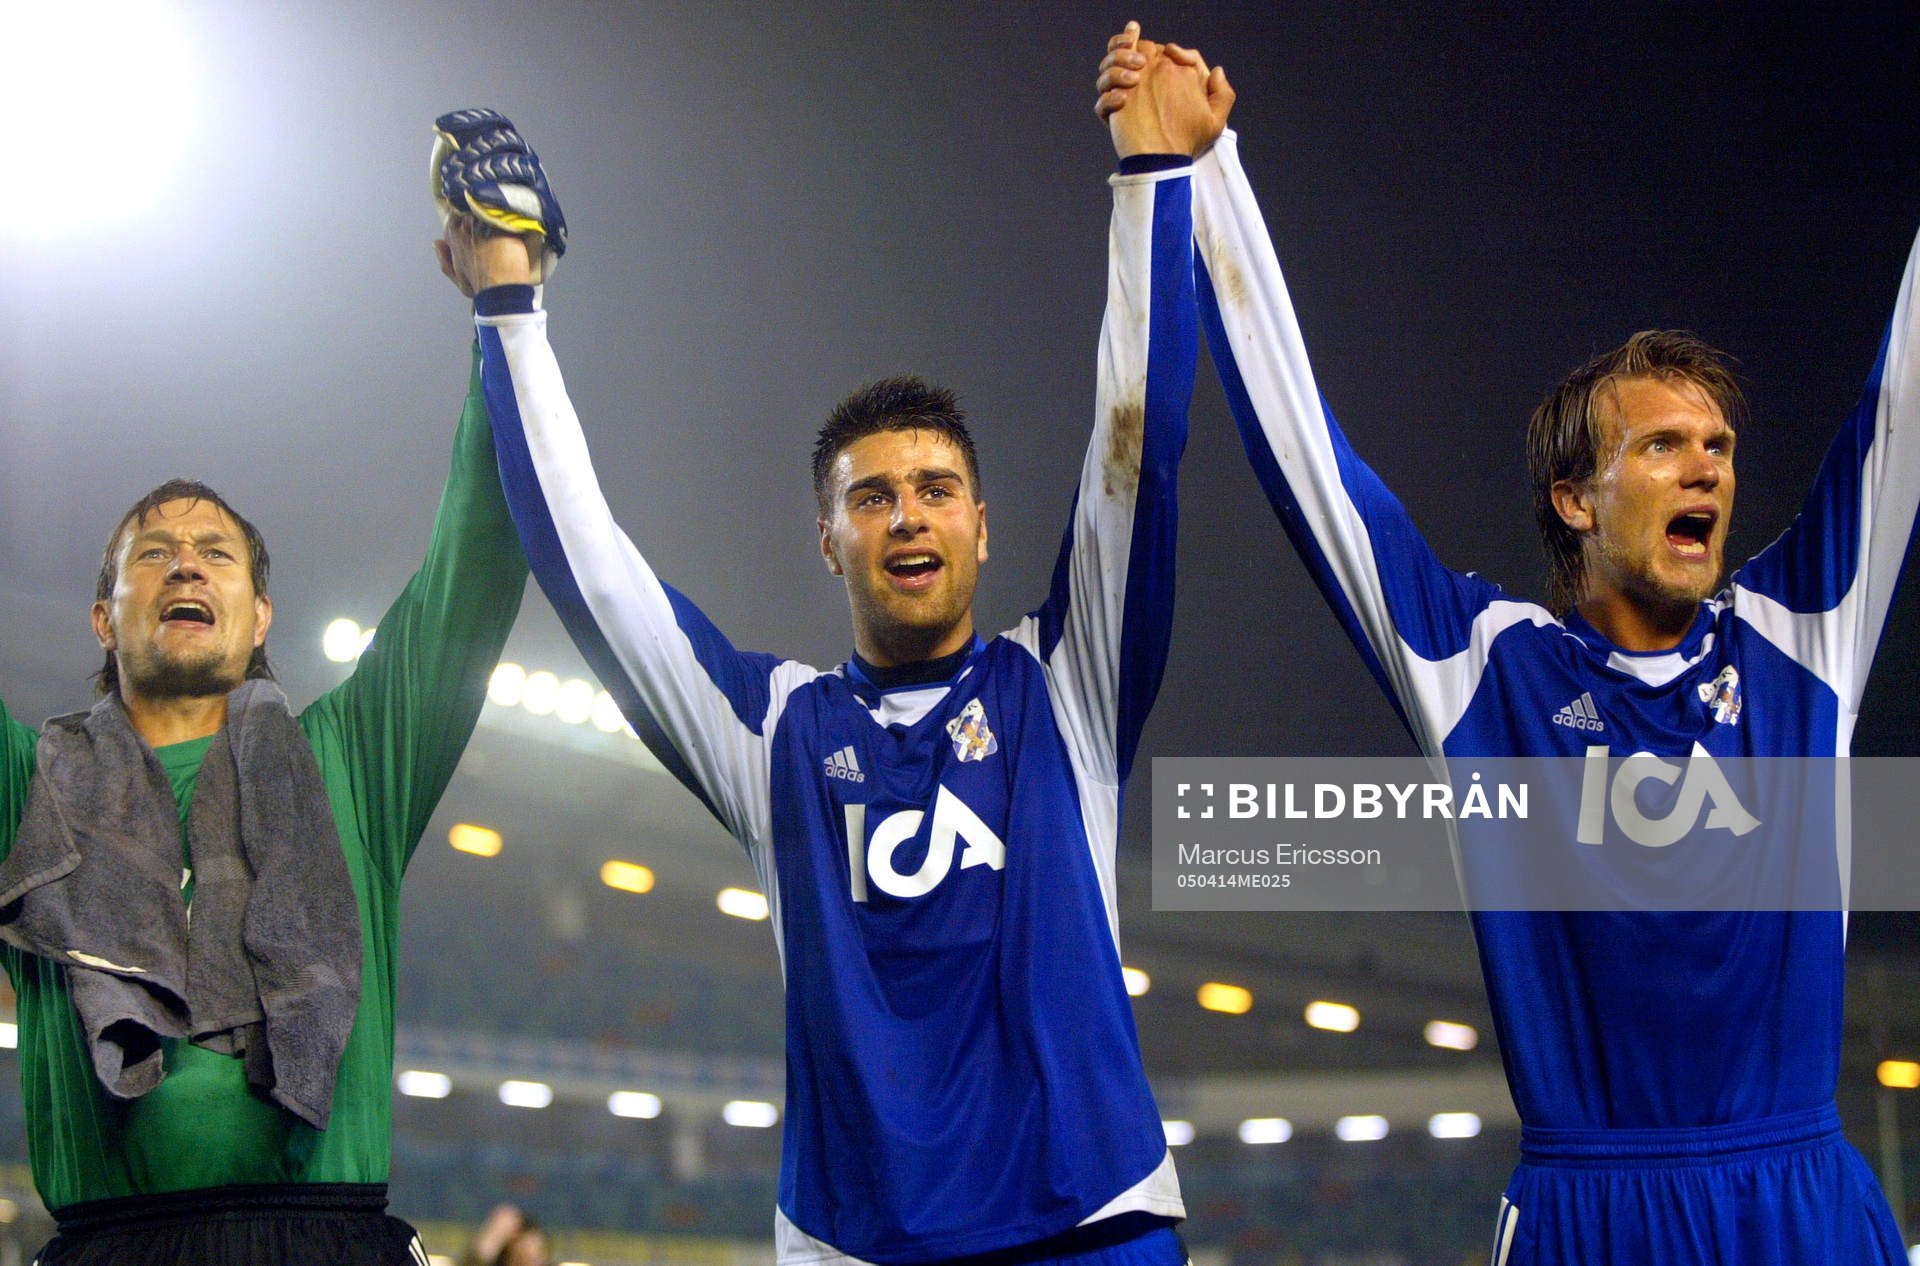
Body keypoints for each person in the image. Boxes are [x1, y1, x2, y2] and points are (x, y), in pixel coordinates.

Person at [1096, 33, 1920, 1266]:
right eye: (1661, 445)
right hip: (1593, 1209)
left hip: (1801, 1194)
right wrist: (1211, 172)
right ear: (1577, 498)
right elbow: (1309, 461)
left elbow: (1906, 389)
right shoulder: (1486, 668)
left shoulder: (1808, 638)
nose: (1706, 464)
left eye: (1719, 447)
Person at [435, 35, 1229, 1266]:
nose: (907, 513)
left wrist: (1150, 180)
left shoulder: (1063, 688)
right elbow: (587, 564)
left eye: (934, 488)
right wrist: (507, 304)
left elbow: (1141, 439)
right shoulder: (774, 733)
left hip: (1095, 1225)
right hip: (858, 1244)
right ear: (827, 541)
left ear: (981, 525)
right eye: (872, 497)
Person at [0, 111, 536, 1264]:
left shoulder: (351, 759)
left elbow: (478, 563)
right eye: (152, 552)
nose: (185, 561)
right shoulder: (30, 787)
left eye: (215, 554)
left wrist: (506, 303)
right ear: (107, 616)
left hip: (324, 1242)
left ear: (258, 618)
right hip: (106, 1247)